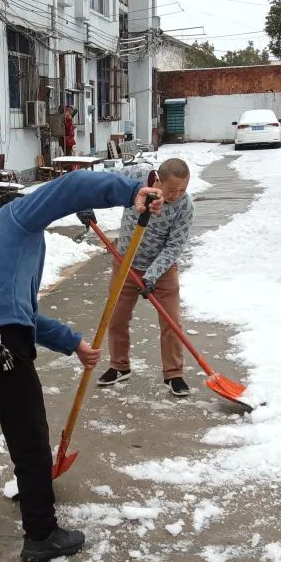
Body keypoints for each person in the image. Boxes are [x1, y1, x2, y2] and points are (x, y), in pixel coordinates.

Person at [0, 171, 164, 562]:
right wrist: (129, 192)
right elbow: (68, 188)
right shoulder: (17, 217)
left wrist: (73, 343)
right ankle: (41, 534)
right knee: (29, 437)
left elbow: (22, 314)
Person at [89, 158, 195, 397]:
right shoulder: (136, 176)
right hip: (125, 262)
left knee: (171, 321)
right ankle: (119, 366)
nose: (177, 195)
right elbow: (105, 181)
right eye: (172, 189)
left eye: (183, 190)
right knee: (116, 317)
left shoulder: (185, 207)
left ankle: (174, 373)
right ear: (158, 179)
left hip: (162, 269)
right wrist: (86, 202)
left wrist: (152, 276)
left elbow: (174, 246)